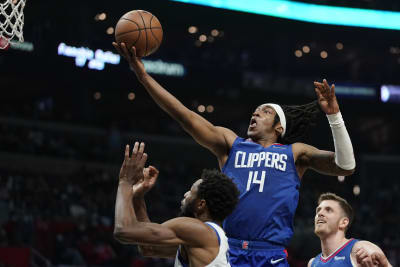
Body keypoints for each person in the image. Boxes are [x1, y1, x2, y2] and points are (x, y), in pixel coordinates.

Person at [112, 42, 356, 266]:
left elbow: (345, 166)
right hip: (228, 246)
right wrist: (143, 77)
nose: (256, 114)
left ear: (279, 127)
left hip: (270, 253)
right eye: (255, 111)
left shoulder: (295, 153)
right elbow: (184, 116)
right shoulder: (231, 144)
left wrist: (334, 115)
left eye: (265, 112)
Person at [114, 142, 240, 267]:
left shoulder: (196, 229)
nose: (185, 194)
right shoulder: (212, 239)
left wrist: (125, 182)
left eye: (191, 192)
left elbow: (124, 230)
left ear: (201, 204)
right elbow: (149, 248)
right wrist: (137, 197)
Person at [309, 193, 392, 267]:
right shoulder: (312, 263)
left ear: (343, 222)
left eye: (328, 210)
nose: (320, 213)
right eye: (318, 210)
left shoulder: (361, 249)